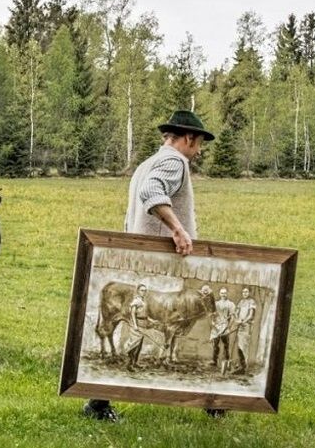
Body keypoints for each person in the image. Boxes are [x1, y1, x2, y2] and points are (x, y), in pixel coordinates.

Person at [83, 110, 215, 422]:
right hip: (161, 261)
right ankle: (98, 404)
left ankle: (214, 399)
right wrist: (178, 230)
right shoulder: (174, 161)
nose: (199, 151)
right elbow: (151, 192)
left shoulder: (147, 163)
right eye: (199, 144)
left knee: (137, 329)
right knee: (138, 328)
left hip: (145, 257)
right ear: (188, 138)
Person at [209, 287, 235, 368]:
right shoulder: (216, 304)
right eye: (222, 293)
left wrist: (228, 326)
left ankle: (226, 362)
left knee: (226, 345)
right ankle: (214, 361)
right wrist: (213, 322)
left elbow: (232, 317)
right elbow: (212, 315)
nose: (223, 295)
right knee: (215, 344)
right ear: (219, 294)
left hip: (225, 326)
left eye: (225, 293)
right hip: (216, 326)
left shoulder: (231, 304)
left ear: (227, 294)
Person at [233, 287, 256, 374]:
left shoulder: (252, 302)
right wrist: (237, 319)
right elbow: (236, 312)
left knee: (244, 346)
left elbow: (250, 315)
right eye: (243, 292)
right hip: (240, 325)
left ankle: (244, 367)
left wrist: (243, 321)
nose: (244, 293)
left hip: (247, 325)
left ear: (249, 292)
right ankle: (240, 365)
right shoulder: (241, 302)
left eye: (246, 292)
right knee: (239, 345)